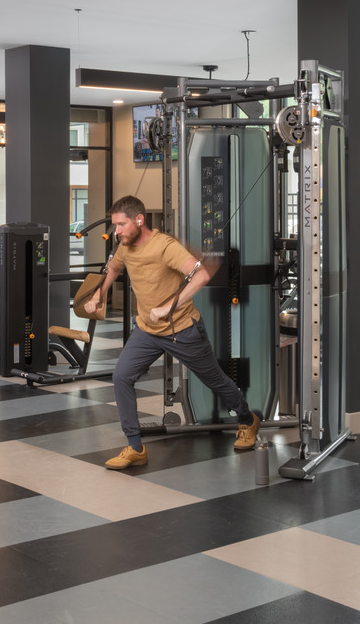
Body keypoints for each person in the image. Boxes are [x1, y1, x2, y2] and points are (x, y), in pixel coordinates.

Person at [86, 195, 260, 470]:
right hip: (146, 330)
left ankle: (247, 419)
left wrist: (168, 307)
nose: (116, 231)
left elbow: (201, 275)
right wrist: (99, 293)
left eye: (121, 225)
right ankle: (135, 447)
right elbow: (115, 266)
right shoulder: (125, 246)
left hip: (182, 330)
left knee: (214, 380)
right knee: (121, 376)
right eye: (115, 225)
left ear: (139, 220)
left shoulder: (164, 246)